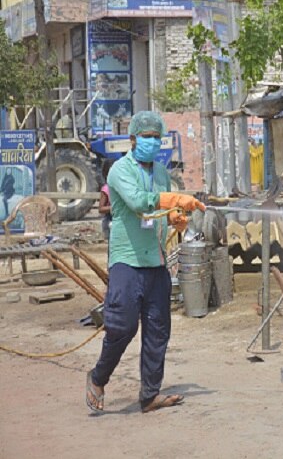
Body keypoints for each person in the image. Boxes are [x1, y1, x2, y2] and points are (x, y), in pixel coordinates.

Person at [85, 111, 205, 414]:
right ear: (134, 139)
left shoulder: (162, 172)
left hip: (156, 262)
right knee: (122, 326)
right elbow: (139, 202)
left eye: (157, 137)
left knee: (158, 330)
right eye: (147, 137)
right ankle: (98, 378)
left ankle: (150, 395)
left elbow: (160, 210)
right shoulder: (119, 171)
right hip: (127, 260)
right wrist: (175, 201)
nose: (153, 142)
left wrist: (174, 218)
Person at [99, 159, 115, 241]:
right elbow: (101, 209)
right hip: (110, 220)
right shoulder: (106, 189)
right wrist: (112, 208)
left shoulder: (120, 188)